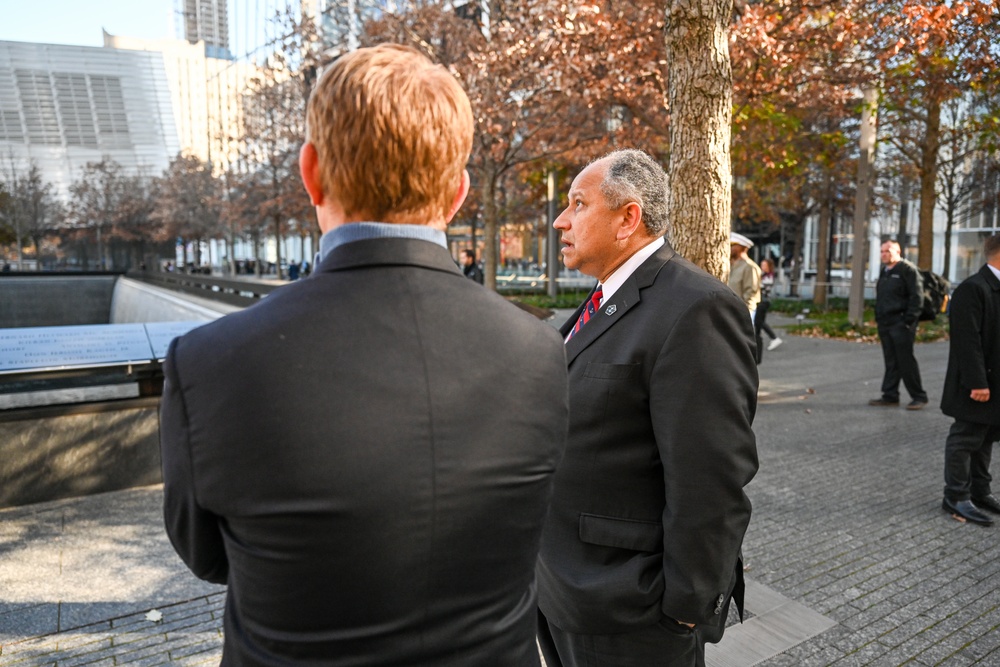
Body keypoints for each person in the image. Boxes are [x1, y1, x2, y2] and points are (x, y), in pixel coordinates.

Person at [159, 44, 570, 666]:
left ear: (311, 172)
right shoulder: (539, 349)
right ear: (458, 192)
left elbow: (208, 556)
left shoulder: (210, 361)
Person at [536, 149, 759, 667]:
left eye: (577, 204)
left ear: (628, 218)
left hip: (630, 611)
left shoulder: (695, 307)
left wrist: (683, 609)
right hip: (564, 590)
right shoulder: (602, 300)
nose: (559, 220)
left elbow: (711, 480)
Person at [940, 234, 1000, 526]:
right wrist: (978, 382)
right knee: (965, 437)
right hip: (978, 383)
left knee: (985, 436)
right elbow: (967, 341)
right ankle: (956, 496)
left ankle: (979, 491)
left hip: (994, 382)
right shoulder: (973, 289)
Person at [870, 239, 928, 409]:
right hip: (885, 323)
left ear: (898, 252)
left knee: (905, 361)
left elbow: (917, 297)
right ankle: (890, 395)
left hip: (901, 323)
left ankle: (919, 396)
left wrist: (908, 321)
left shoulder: (908, 270)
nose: (884, 254)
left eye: (887, 251)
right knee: (891, 361)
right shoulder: (885, 271)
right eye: (881, 251)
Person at [728, 232, 762, 324]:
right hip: (729, 311)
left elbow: (751, 292)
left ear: (742, 247)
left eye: (733, 245)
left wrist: (745, 312)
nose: (730, 248)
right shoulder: (731, 265)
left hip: (742, 313)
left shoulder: (750, 267)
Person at [759, 257, 782, 351]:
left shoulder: (768, 277)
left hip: (763, 301)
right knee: (760, 322)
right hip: (762, 301)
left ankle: (774, 338)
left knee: (759, 322)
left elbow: (760, 287)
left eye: (764, 265)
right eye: (761, 265)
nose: (762, 267)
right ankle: (773, 338)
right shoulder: (764, 275)